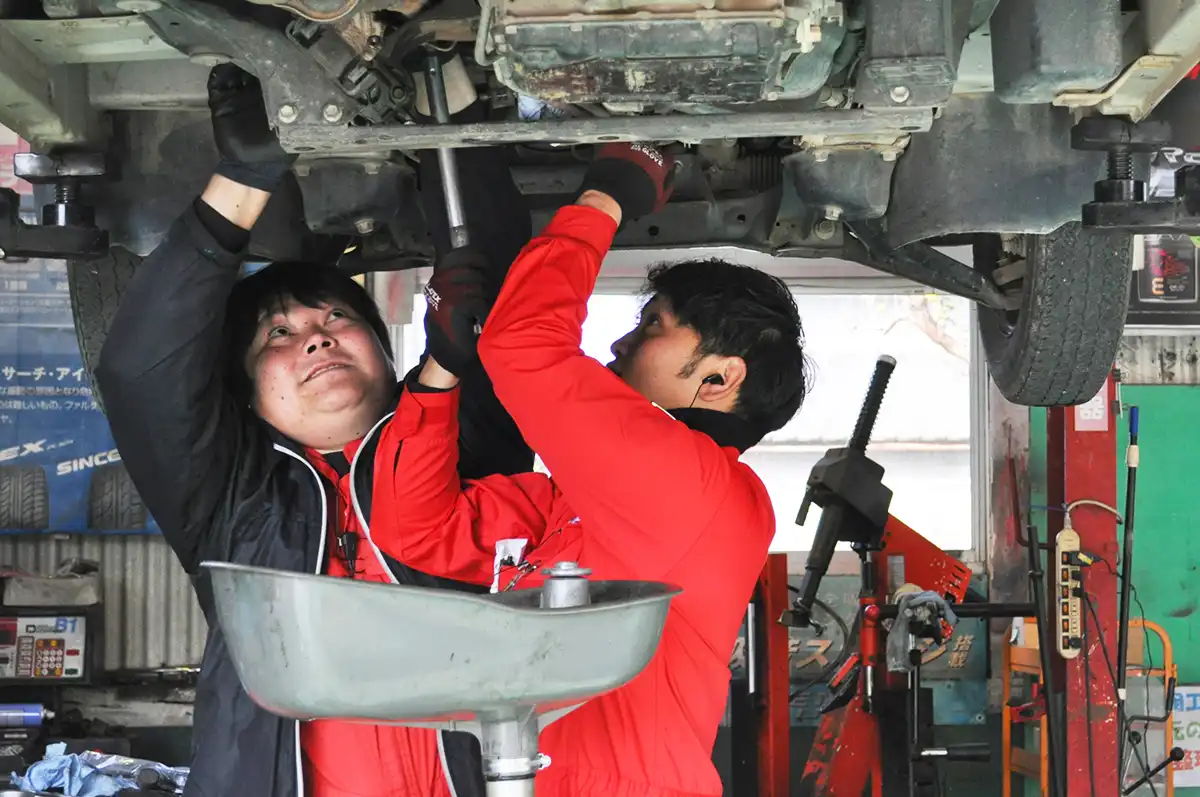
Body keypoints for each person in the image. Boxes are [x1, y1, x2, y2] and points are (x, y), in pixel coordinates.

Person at [96, 63, 535, 797]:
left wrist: (450, 133)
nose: (317, 337)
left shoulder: (466, 448)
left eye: (337, 318)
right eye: (279, 333)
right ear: (244, 389)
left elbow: (498, 289)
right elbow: (142, 368)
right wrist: (244, 176)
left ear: (381, 348)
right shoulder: (228, 496)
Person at [368, 141, 812, 797]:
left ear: (720, 378)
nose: (620, 343)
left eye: (653, 325)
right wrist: (439, 372)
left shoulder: (695, 486)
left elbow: (523, 344)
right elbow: (416, 530)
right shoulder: (573, 507)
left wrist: (609, 192)